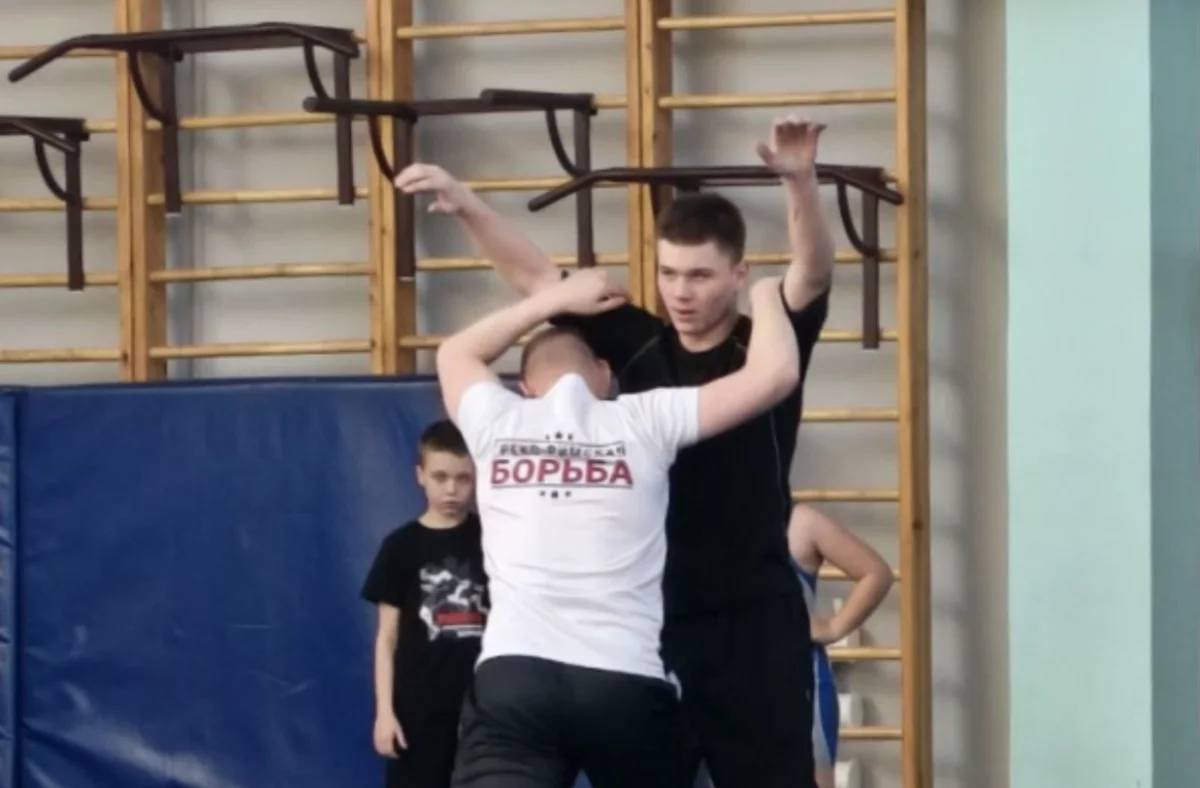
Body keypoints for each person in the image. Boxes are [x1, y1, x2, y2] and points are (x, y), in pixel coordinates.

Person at [395, 114, 834, 787]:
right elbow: (538, 279)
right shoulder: (637, 343)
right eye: (668, 273)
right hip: (653, 615)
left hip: (748, 612)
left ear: (739, 273)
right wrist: (467, 205)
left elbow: (812, 272)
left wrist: (800, 183)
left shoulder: (766, 341)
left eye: (700, 276)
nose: (681, 292)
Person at [434, 267, 802, 788]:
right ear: (605, 375)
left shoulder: (498, 419)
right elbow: (776, 374)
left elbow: (454, 353)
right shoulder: (642, 417)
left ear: (526, 387)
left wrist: (554, 299)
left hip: (515, 679)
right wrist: (765, 294)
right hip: (624, 681)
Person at [360, 420, 489, 788]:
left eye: (463, 478)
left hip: (484, 708)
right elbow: (387, 637)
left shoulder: (493, 538)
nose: (451, 489)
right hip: (417, 710)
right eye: (440, 477)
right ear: (420, 475)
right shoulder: (401, 547)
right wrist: (385, 713)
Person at [787, 504, 893, 788]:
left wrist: (833, 627)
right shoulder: (704, 526)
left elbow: (876, 573)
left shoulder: (800, 524)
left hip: (800, 688)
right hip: (725, 688)